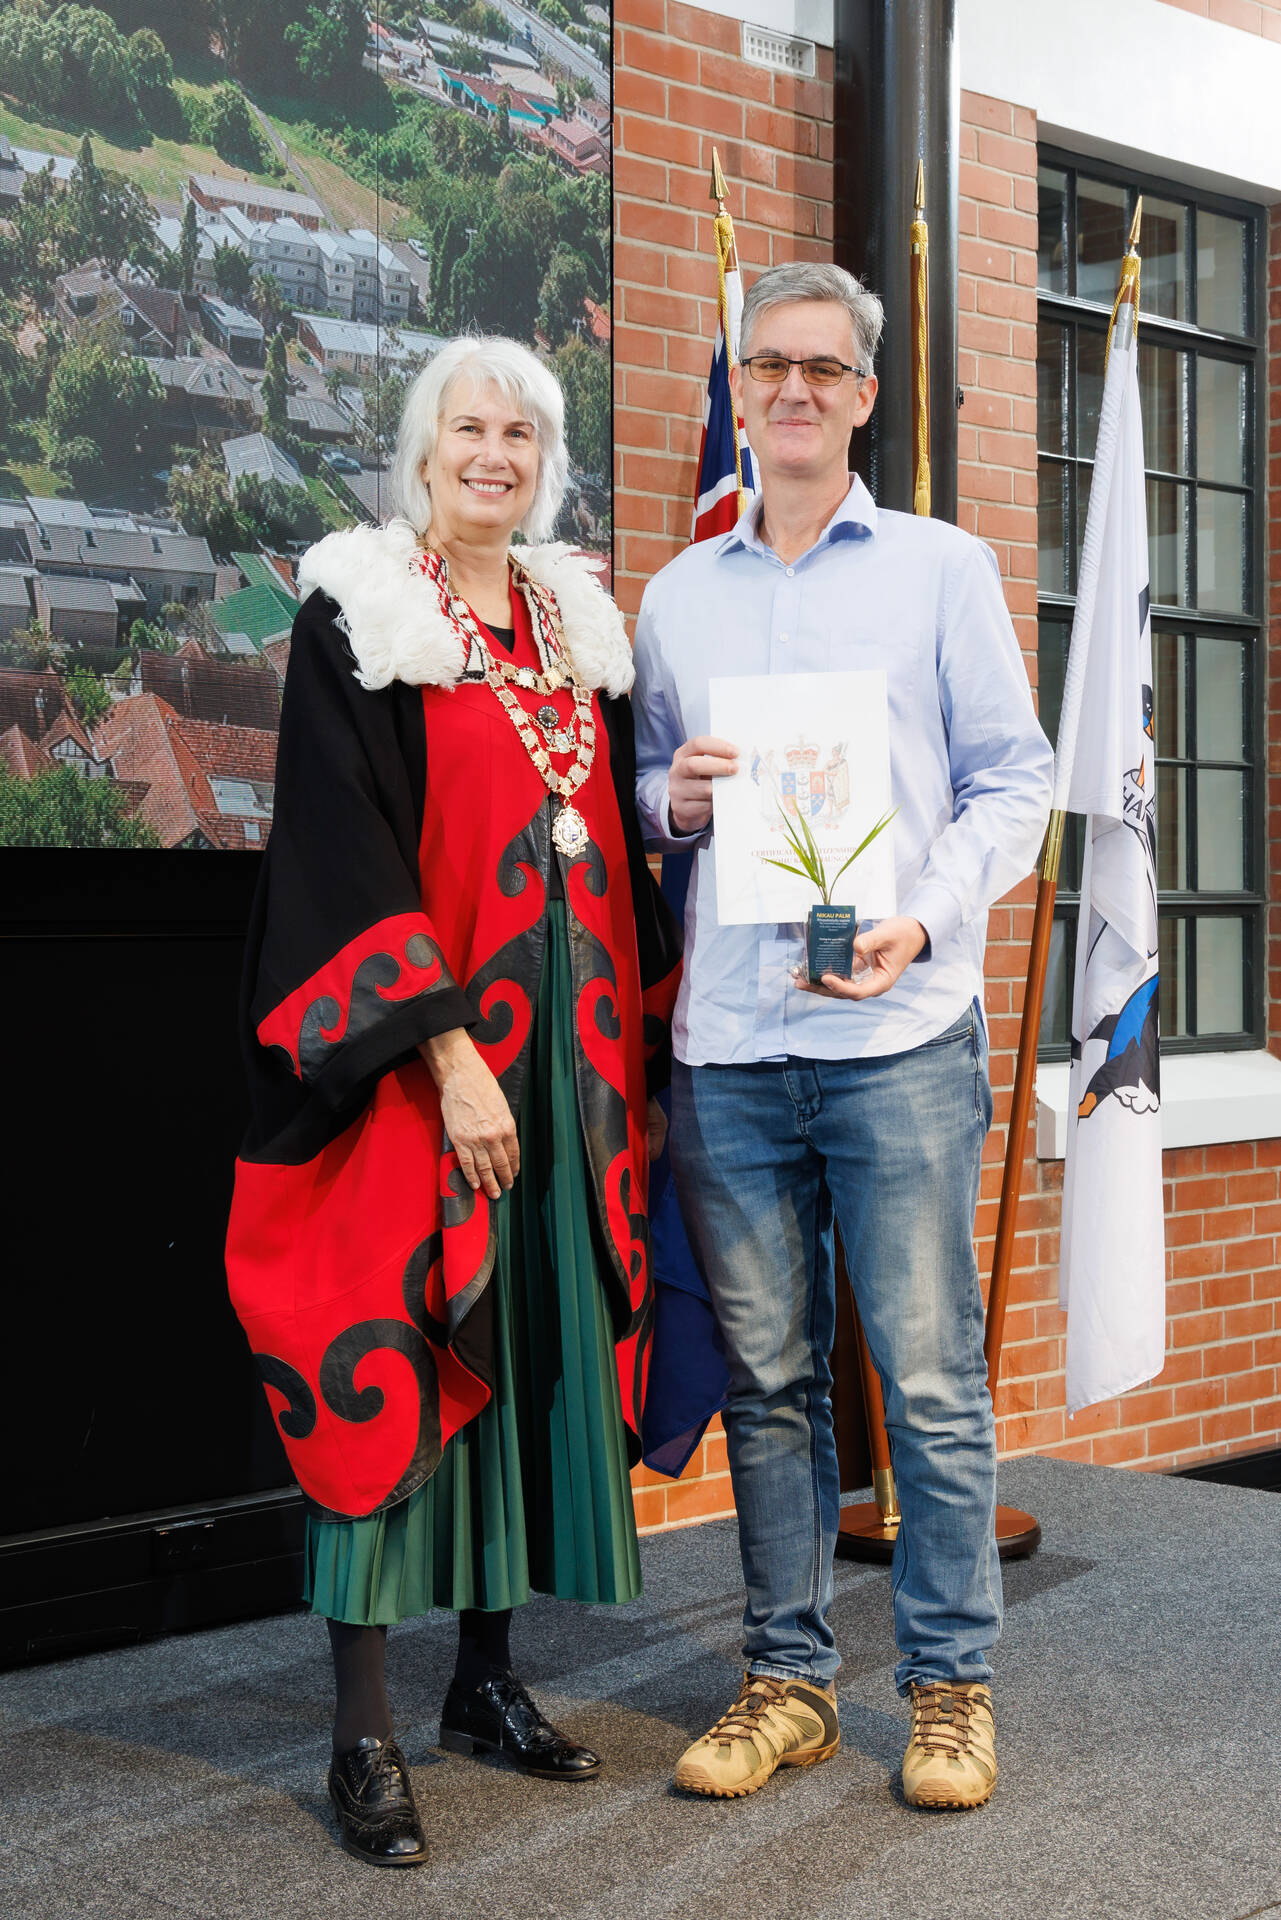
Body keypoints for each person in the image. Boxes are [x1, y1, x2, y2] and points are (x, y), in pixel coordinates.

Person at [226, 336, 680, 1868]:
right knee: (396, 1355)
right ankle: (361, 1730)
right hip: (426, 1069)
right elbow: (338, 847)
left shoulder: (573, 627)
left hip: (574, 1066)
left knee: (524, 1344)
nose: (493, 454)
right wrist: (445, 1054)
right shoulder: (360, 614)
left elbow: (603, 829)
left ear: (543, 462)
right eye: (466, 429)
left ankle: (484, 1681)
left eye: (519, 434)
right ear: (422, 451)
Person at [632, 261, 1053, 1810]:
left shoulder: (940, 571)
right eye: (768, 366)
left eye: (823, 368)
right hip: (733, 1050)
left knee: (928, 1383)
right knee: (766, 1386)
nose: (793, 391)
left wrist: (922, 923)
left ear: (864, 395)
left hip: (897, 1041)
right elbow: (647, 793)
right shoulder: (677, 596)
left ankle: (949, 1690)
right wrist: (671, 801)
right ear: (737, 390)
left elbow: (1014, 781)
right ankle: (789, 1683)